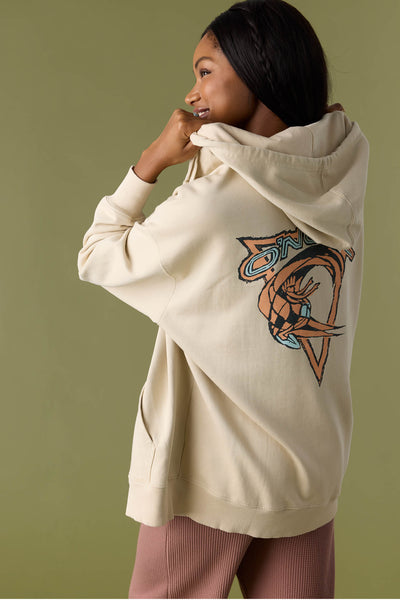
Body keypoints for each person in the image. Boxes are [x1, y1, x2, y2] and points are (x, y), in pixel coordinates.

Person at [77, 0, 370, 597]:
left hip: (210, 477)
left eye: (206, 71)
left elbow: (97, 255)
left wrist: (152, 161)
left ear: (257, 71)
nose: (193, 92)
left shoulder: (211, 205)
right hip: (309, 473)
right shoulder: (338, 173)